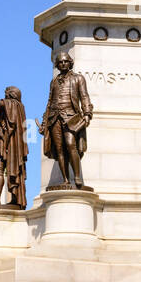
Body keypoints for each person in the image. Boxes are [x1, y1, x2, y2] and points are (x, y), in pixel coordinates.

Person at [40, 51, 93, 189]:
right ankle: (65, 179)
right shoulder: (54, 81)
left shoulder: (78, 78)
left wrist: (87, 113)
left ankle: (76, 176)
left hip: (71, 117)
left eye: (65, 61)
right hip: (54, 118)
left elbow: (84, 96)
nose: (63, 64)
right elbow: (49, 102)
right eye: (60, 62)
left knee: (70, 144)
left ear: (70, 63)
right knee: (59, 149)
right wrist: (45, 122)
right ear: (57, 64)